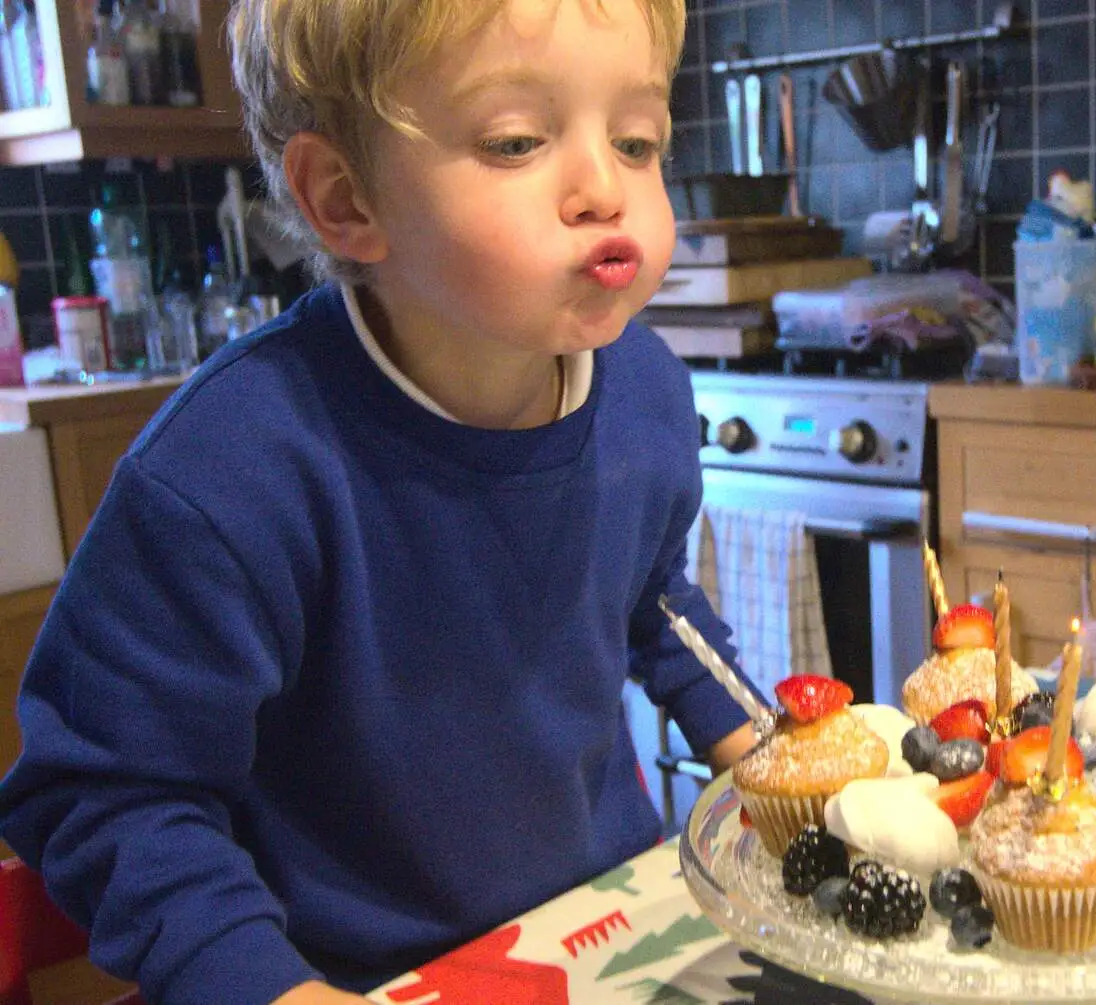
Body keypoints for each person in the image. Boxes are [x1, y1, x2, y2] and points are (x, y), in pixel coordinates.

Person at [0, 1, 760, 1003]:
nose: (603, 190)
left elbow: (650, 599)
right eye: (517, 141)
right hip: (344, 975)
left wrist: (771, 749)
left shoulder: (646, 390)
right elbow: (104, 794)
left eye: (636, 140)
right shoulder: (228, 472)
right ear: (347, 199)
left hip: (602, 930)